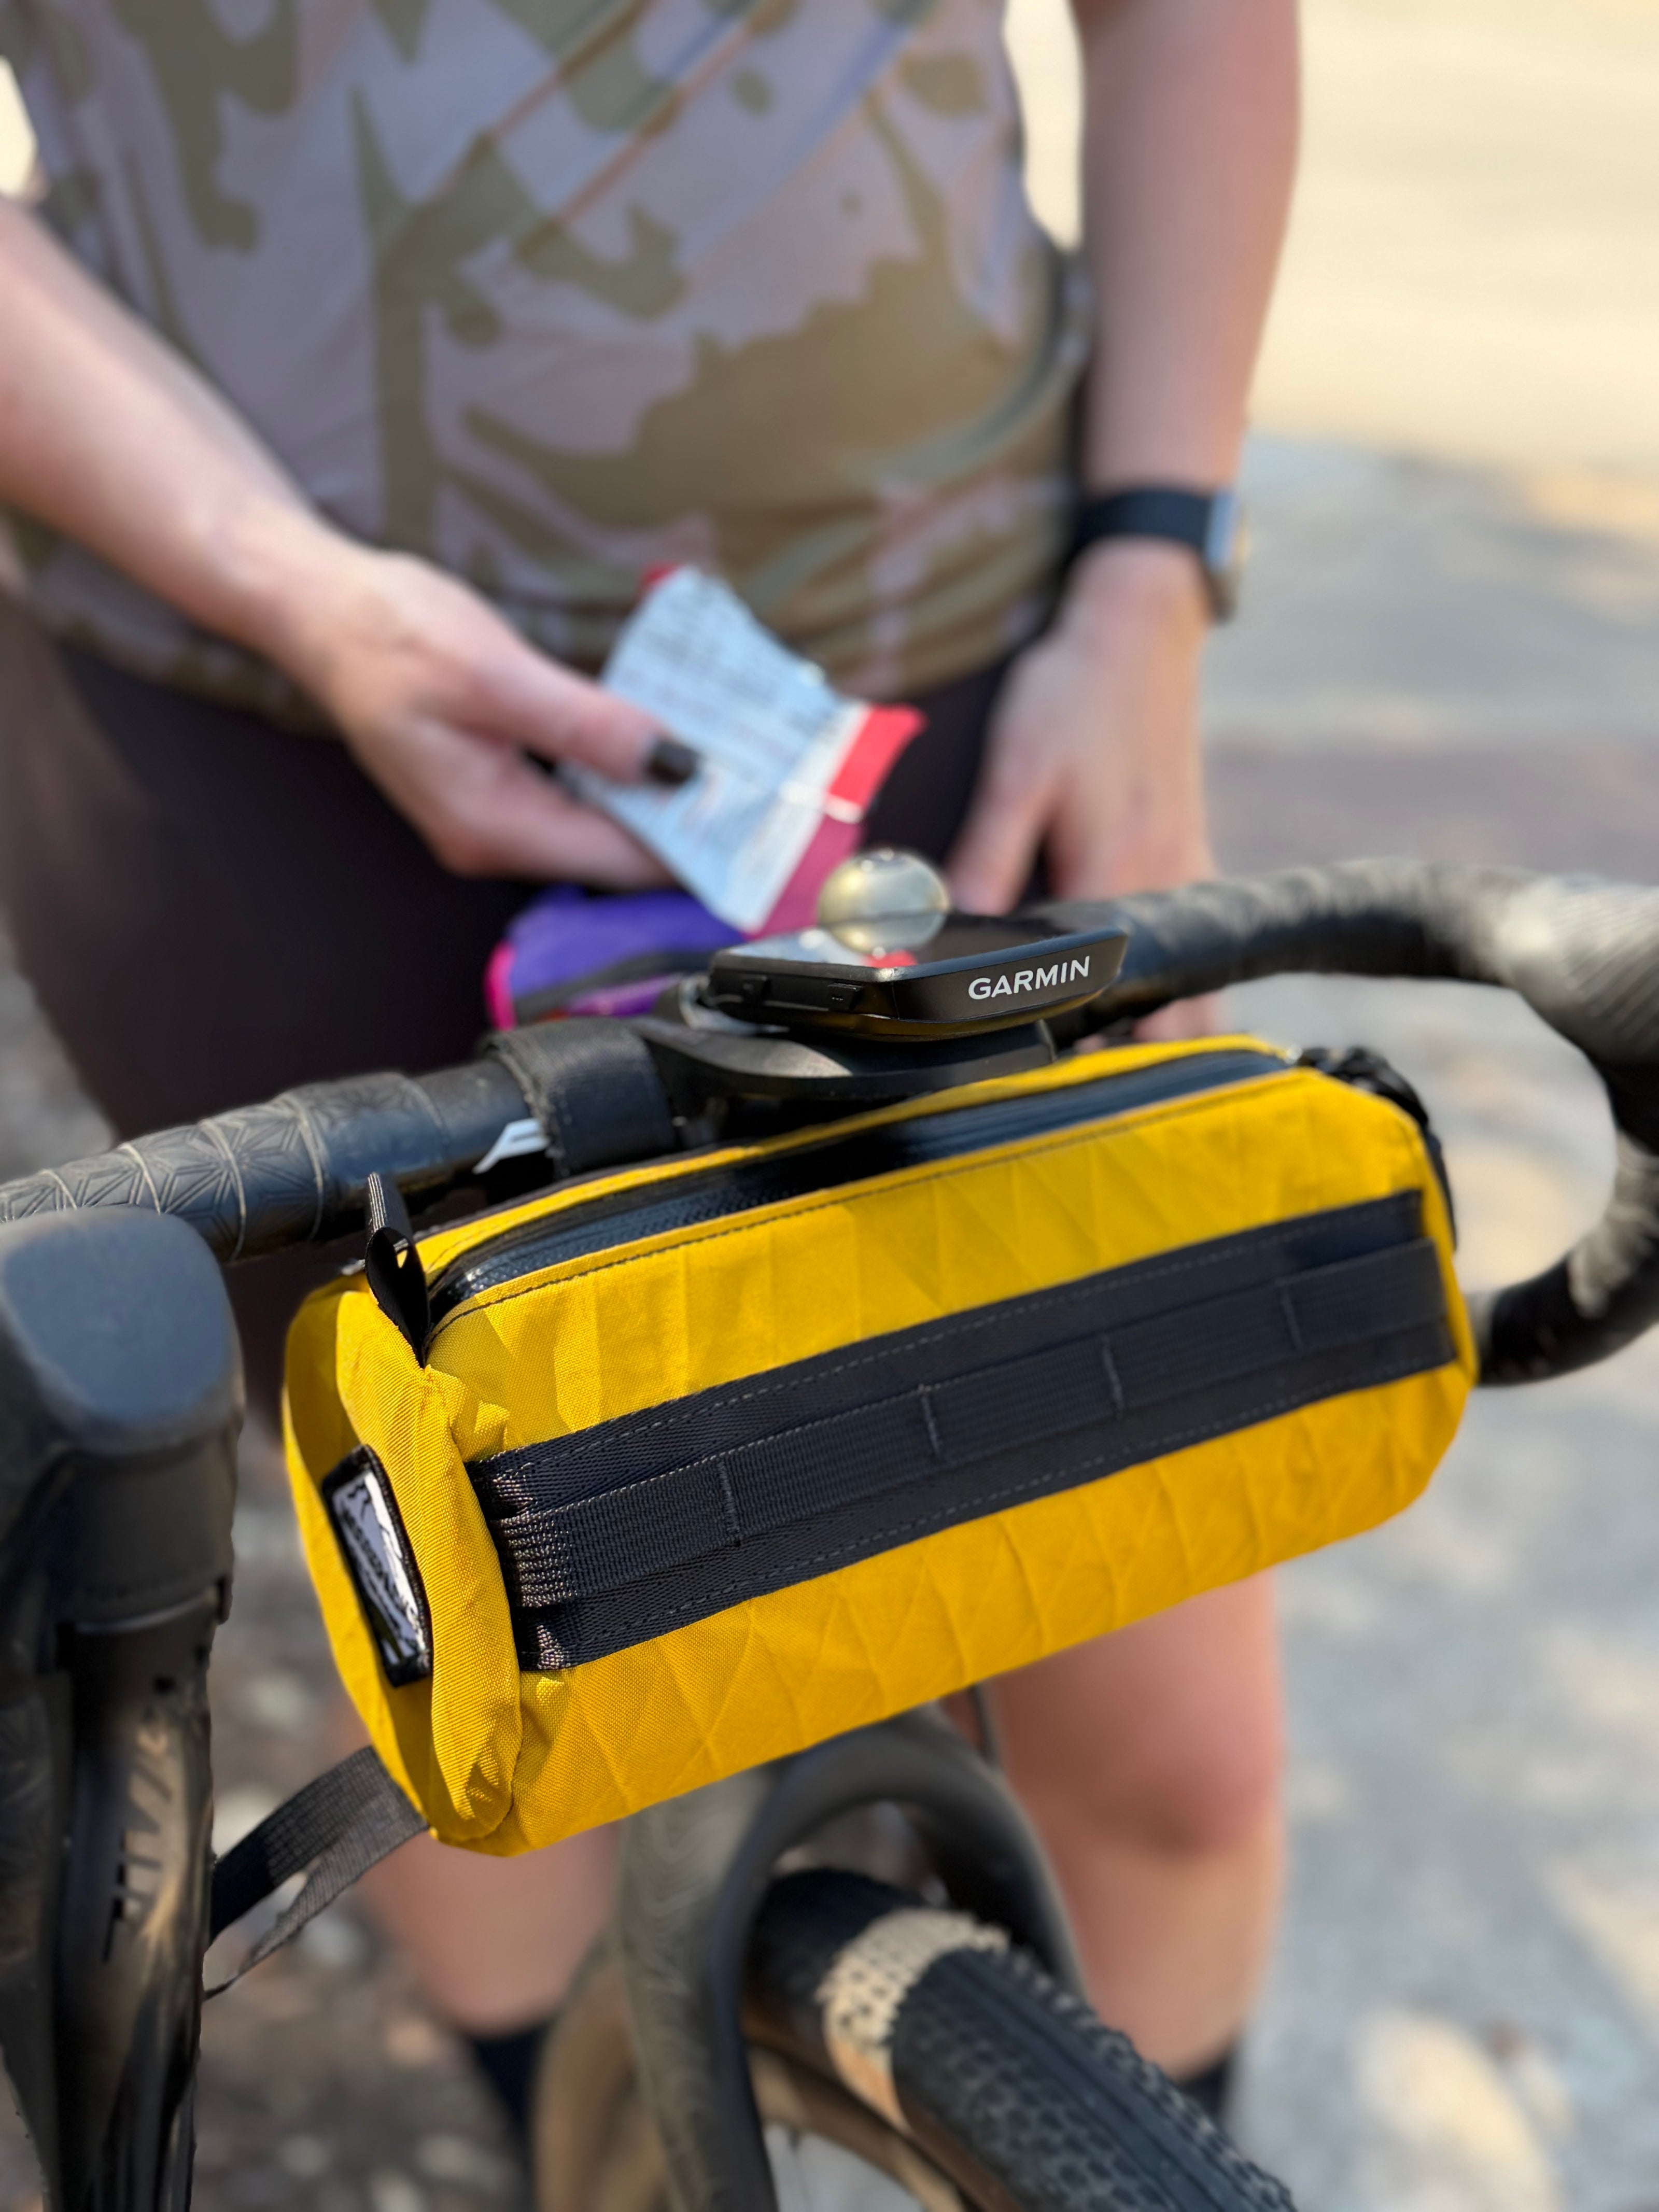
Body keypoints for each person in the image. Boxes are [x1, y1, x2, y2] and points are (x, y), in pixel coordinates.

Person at [0, 0, 1298, 2145]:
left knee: (1155, 1698)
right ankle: (575, 2156)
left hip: (948, 722)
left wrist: (1152, 561)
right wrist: (287, 587)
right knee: (481, 1618)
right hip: (250, 743)